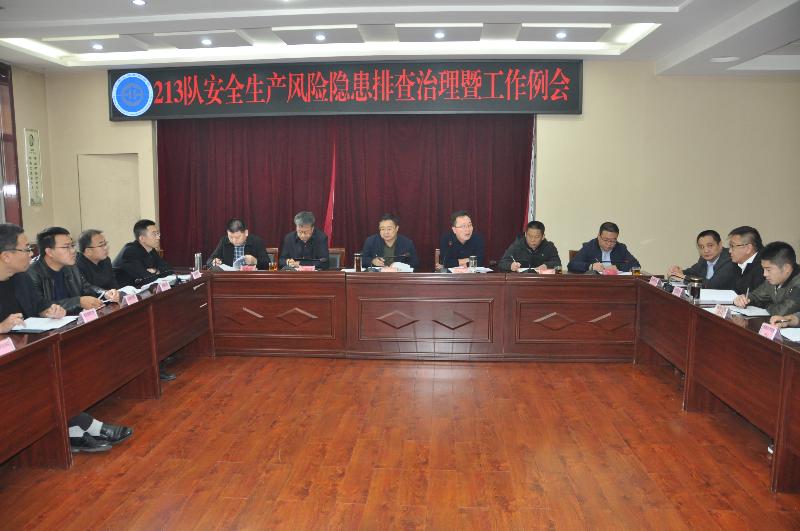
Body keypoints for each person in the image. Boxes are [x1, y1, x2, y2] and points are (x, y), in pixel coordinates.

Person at [0, 223, 131, 453]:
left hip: (25, 351)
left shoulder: (20, 278)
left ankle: (74, 431)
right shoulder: (30, 274)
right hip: (8, 361)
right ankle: (88, 427)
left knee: (59, 369)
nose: (31, 254)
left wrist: (50, 311)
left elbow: (39, 306)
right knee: (46, 378)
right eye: (26, 249)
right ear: (6, 256)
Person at [28, 227, 120, 314]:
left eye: (72, 245)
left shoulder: (71, 266)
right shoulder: (31, 273)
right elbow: (39, 306)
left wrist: (105, 293)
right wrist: (78, 301)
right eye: (66, 247)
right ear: (49, 252)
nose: (73, 251)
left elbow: (86, 287)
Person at [733, 241, 800, 315]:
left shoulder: (798, 283)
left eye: (768, 270)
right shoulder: (773, 280)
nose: (764, 274)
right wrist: (744, 299)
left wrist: (767, 305)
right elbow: (757, 296)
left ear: (786, 268)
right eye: (763, 269)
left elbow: (782, 312)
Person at [666, 229, 738, 289]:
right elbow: (692, 272)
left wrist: (684, 278)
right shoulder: (703, 259)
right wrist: (677, 272)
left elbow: (711, 285)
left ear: (720, 245)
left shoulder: (730, 259)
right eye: (701, 247)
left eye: (710, 246)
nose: (706, 250)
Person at [112, 219, 174, 287]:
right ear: (142, 238)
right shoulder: (130, 252)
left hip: (138, 288)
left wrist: (156, 271)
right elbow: (147, 279)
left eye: (158, 233)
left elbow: (169, 270)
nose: (158, 237)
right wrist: (157, 273)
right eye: (154, 234)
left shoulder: (151, 249)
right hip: (120, 291)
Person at [567, 221, 640, 273]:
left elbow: (636, 265)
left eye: (613, 241)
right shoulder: (590, 246)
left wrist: (618, 267)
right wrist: (591, 266)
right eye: (606, 240)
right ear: (599, 236)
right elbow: (571, 265)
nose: (609, 244)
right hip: (596, 285)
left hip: (616, 285)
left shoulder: (620, 248)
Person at [728, 225, 764, 295]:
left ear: (748, 248)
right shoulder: (735, 263)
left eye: (732, 246)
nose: (730, 251)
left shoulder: (764, 267)